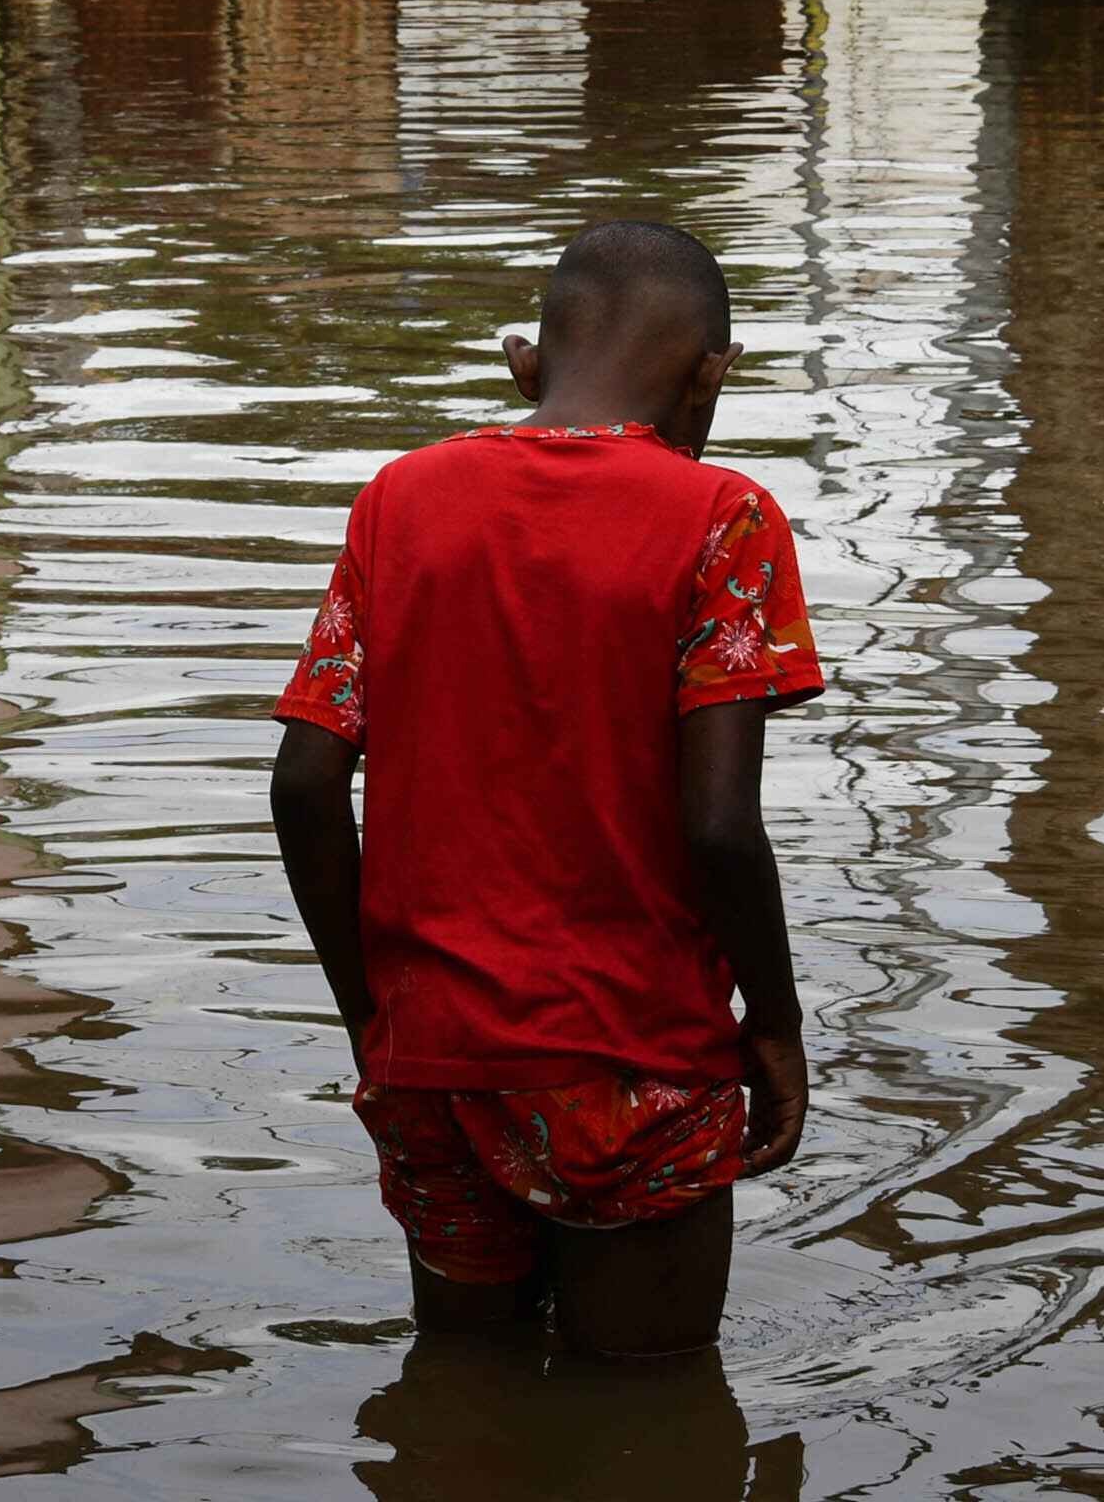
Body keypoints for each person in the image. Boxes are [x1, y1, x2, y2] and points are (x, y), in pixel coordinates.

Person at [269, 217, 824, 1359]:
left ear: (524, 359)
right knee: (650, 1420)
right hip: (632, 1065)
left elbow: (306, 784)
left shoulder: (400, 501)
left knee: (463, 1405)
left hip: (430, 1065)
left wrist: (373, 1017)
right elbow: (720, 829)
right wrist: (773, 1027)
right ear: (713, 370)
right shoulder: (726, 520)